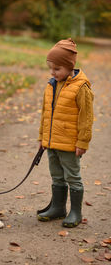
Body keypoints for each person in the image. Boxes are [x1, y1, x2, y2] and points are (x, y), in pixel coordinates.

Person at [37, 38, 94, 228]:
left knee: (72, 177)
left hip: (70, 144)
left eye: (57, 69)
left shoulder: (81, 87)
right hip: (52, 143)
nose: (53, 72)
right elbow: (46, 114)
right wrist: (42, 138)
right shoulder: (51, 84)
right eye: (51, 68)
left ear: (70, 67)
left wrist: (82, 142)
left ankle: (75, 212)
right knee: (56, 176)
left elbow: (86, 117)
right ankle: (58, 208)